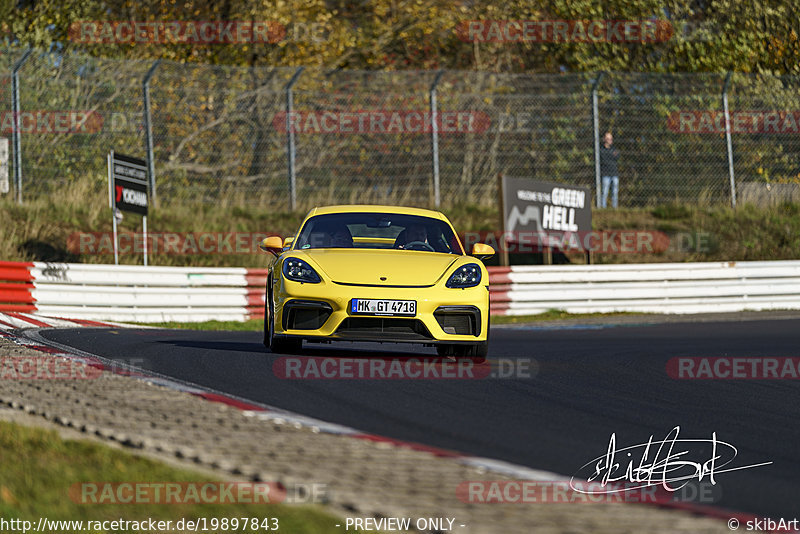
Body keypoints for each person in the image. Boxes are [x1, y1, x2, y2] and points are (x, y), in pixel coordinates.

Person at [599, 131, 620, 208]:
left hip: (614, 173)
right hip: (606, 174)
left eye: (611, 138)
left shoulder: (614, 148)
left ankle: (615, 207)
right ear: (604, 139)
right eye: (608, 138)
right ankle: (603, 207)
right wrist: (611, 155)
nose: (610, 140)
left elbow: (617, 156)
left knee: (615, 192)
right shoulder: (601, 149)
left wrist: (611, 156)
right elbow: (604, 158)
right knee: (605, 192)